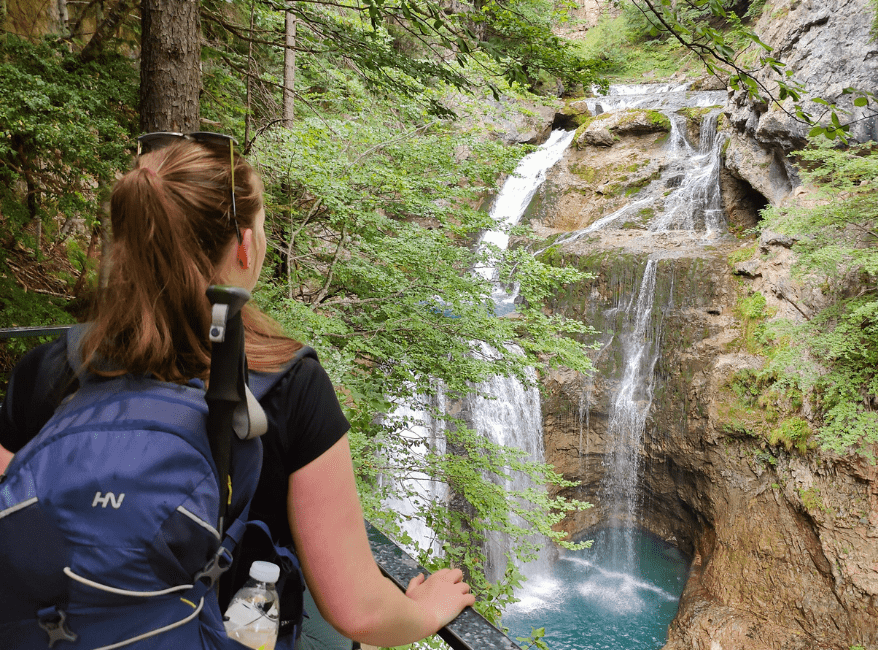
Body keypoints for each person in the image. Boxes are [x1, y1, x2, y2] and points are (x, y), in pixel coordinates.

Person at [0, 132, 475, 648]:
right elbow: (358, 611)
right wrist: (424, 610)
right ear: (245, 247)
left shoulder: (44, 372)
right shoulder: (291, 384)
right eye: (262, 223)